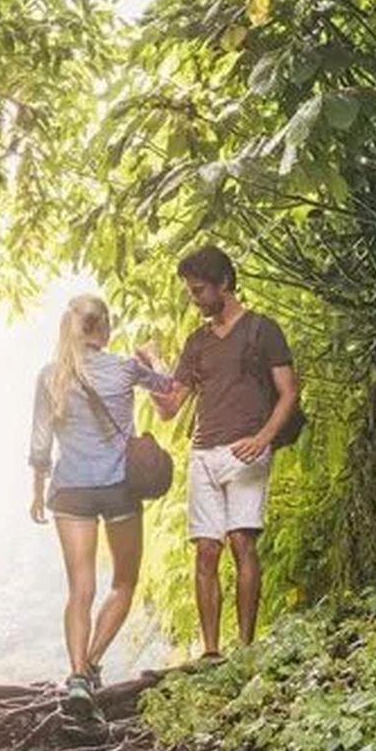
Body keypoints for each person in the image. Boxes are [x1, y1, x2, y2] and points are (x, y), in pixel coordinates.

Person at [27, 294, 174, 719]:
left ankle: (76, 677)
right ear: (104, 328)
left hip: (71, 491)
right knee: (123, 583)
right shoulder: (126, 368)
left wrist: (38, 491)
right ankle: (90, 666)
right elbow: (169, 392)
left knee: (80, 589)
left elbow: (40, 446)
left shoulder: (51, 375)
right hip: (118, 490)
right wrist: (154, 358)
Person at [148, 245, 298, 659]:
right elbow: (171, 407)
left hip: (247, 450)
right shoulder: (197, 342)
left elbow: (289, 392)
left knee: (241, 542)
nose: (193, 299)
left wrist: (264, 437)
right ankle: (211, 652)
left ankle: (246, 647)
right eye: (191, 292)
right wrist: (151, 371)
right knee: (206, 549)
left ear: (224, 285)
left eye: (198, 291)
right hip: (203, 454)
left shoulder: (262, 330)